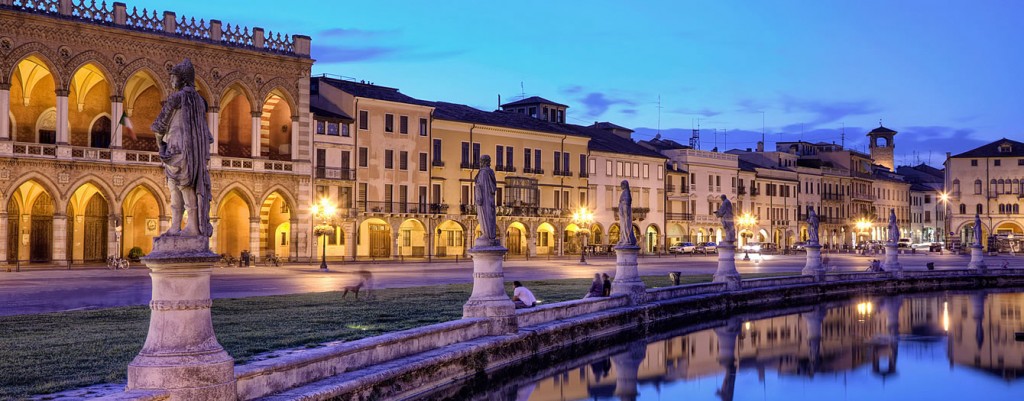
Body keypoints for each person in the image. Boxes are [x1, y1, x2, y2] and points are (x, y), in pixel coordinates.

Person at [150, 58, 214, 237]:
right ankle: (192, 225)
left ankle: (176, 226)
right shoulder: (200, 101)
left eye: (173, 78)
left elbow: (159, 125)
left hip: (176, 148)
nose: (171, 82)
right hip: (194, 151)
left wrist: (160, 144)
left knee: (176, 188)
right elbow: (207, 135)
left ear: (181, 78)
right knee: (189, 186)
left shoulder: (177, 98)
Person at [475, 155, 497, 246]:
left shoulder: (483, 173)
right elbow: (493, 187)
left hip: (484, 201)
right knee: (490, 217)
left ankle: (486, 234)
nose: (479, 163)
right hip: (490, 200)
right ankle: (490, 235)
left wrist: (479, 198)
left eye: (481, 161)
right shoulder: (490, 172)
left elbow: (480, 186)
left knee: (485, 216)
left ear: (483, 162)